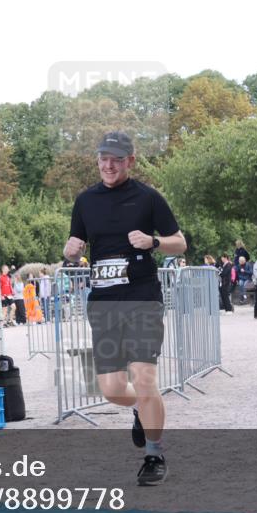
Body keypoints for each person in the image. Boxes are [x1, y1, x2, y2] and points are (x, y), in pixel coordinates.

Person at [64, 130, 187, 486]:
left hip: (142, 300)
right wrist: (70, 252)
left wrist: (154, 241)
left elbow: (180, 243)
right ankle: (139, 411)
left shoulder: (148, 198)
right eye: (103, 158)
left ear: (130, 161)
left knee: (146, 380)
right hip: (103, 304)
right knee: (113, 389)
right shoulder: (85, 200)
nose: (108, 165)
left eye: (116, 159)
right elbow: (76, 248)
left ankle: (154, 453)